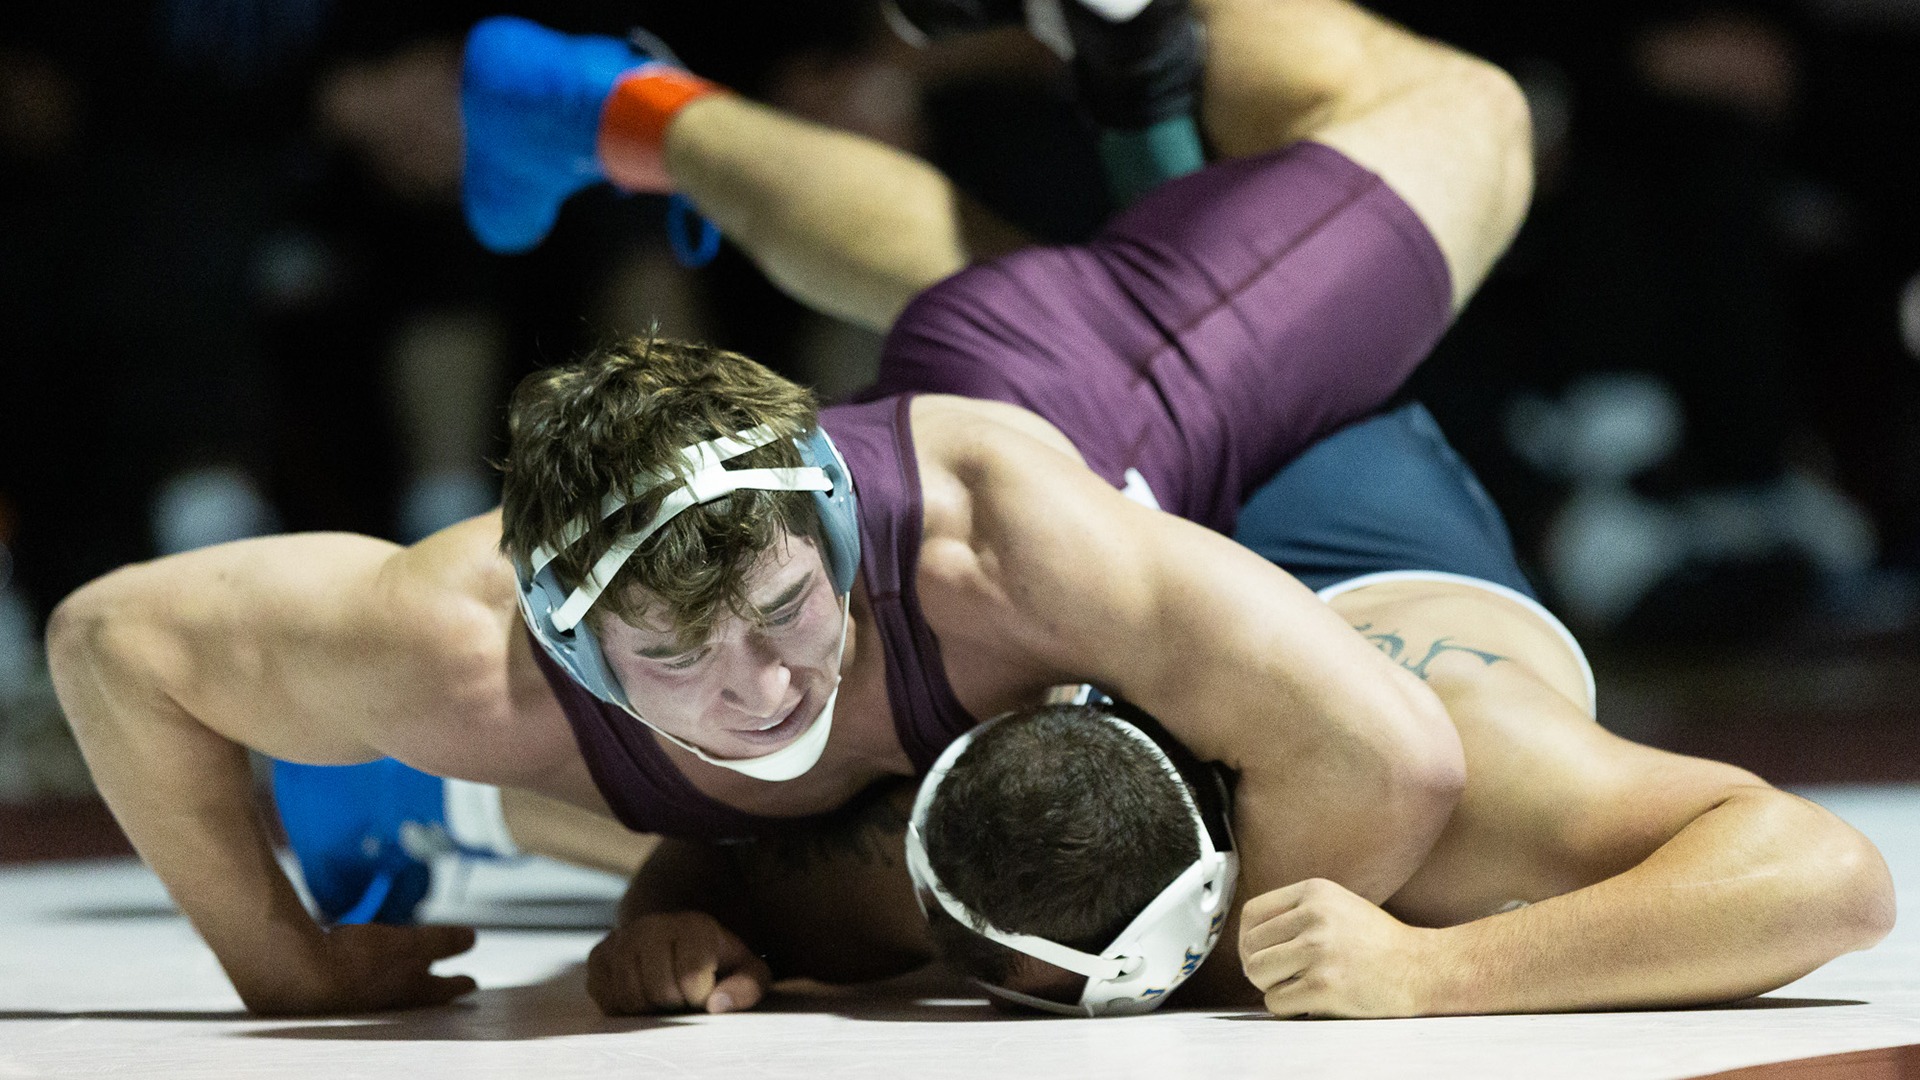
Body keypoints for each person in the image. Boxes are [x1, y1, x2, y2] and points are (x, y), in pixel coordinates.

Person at [45, 0, 1531, 1016]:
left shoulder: (988, 544)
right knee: (1107, 235)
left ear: (833, 530)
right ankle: (643, 108)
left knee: (1472, 114)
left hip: (1096, 390)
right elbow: (115, 645)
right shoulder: (450, 649)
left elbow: (1392, 763)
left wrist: (1157, 968)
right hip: (1013, 380)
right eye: (675, 656)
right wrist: (283, 973)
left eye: (779, 608)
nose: (761, 691)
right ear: (561, 645)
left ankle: (660, 111)